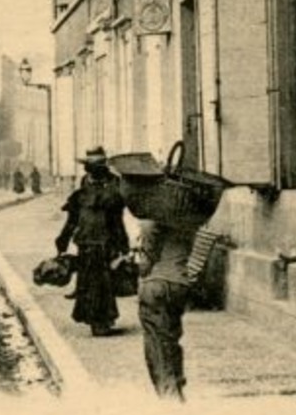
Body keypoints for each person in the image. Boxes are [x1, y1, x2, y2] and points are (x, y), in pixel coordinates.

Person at [53, 146, 130, 337]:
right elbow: (74, 215)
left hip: (107, 240)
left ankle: (103, 319)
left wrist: (123, 244)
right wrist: (63, 238)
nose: (90, 169)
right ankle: (95, 319)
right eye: (89, 165)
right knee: (88, 281)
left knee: (104, 281)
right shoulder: (84, 184)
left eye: (95, 165)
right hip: (86, 241)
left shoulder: (115, 183)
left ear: (103, 166)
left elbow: (117, 217)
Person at [134, 217, 194, 401]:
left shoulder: (154, 217)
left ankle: (168, 394)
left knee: (155, 341)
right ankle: (177, 386)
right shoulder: (188, 220)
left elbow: (146, 263)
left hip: (156, 284)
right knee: (172, 337)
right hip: (180, 284)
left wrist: (141, 258)